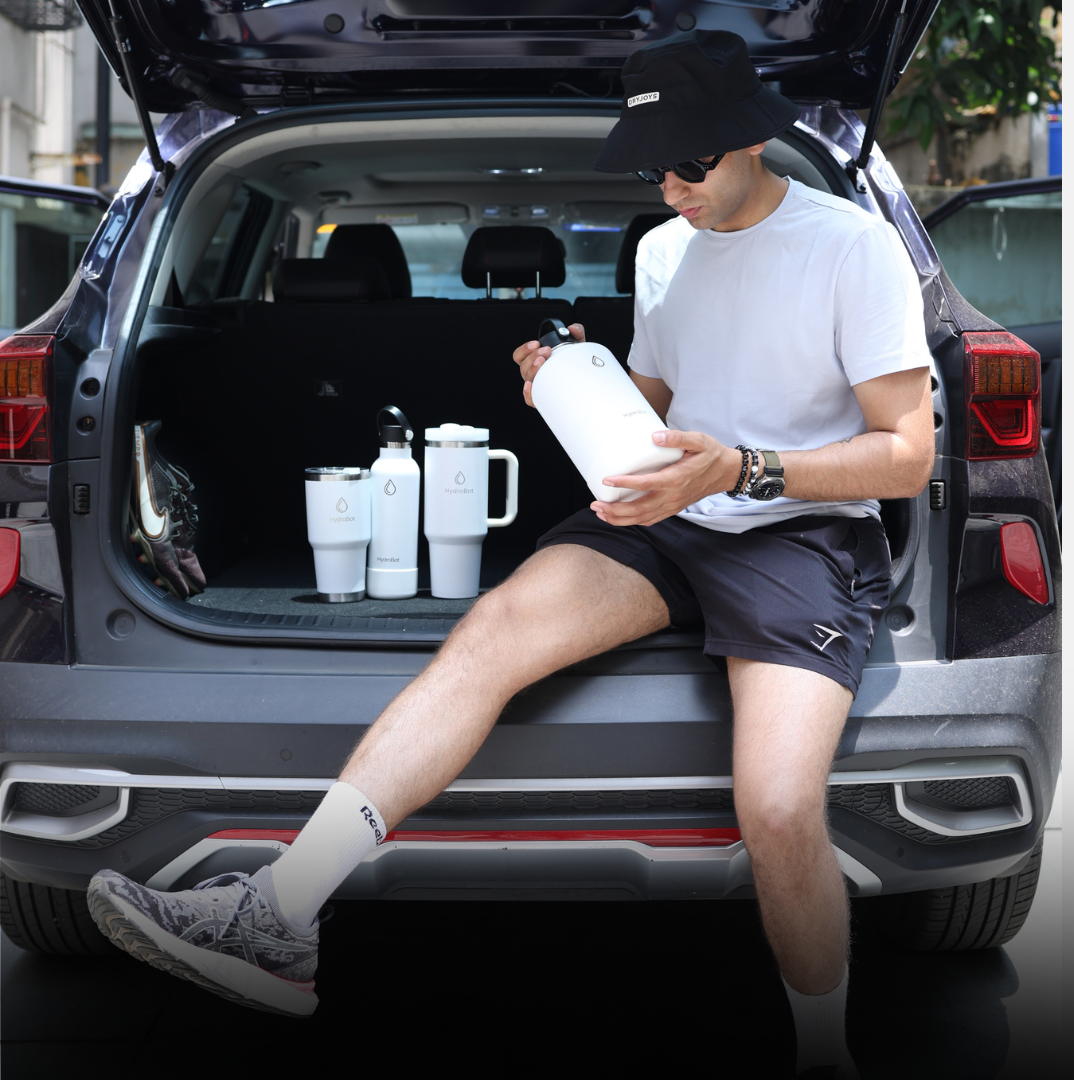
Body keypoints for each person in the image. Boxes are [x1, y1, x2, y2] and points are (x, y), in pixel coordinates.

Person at [87, 30, 933, 1078]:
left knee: (774, 805)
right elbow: (657, 409)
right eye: (653, 165)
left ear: (753, 139)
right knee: (486, 637)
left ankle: (823, 1055)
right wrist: (570, 382)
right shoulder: (664, 251)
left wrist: (744, 471)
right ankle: (278, 915)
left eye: (691, 163)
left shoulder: (853, 246)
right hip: (667, 507)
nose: (671, 186)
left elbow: (905, 456)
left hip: (792, 526)